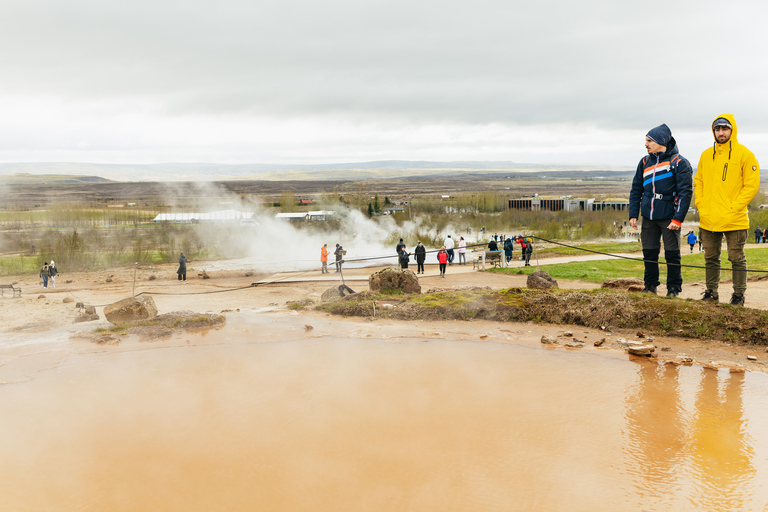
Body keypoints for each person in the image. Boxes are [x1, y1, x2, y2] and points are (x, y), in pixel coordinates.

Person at [695, 114, 760, 306]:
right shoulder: (706, 155)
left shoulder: (745, 155)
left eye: (725, 129)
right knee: (710, 257)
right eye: (717, 129)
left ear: (732, 130)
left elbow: (751, 186)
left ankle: (738, 295)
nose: (721, 133)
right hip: (709, 218)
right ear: (713, 131)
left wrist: (734, 206)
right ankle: (711, 293)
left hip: (735, 218)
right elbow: (698, 181)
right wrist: (701, 203)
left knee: (736, 257)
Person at [629, 124, 693, 297]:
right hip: (648, 216)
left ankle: (673, 289)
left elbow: (685, 193)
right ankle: (650, 286)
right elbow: (636, 190)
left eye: (649, 140)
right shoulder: (644, 162)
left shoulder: (679, 163)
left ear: (661, 141)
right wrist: (633, 214)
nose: (646, 144)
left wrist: (678, 218)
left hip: (669, 217)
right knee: (649, 252)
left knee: (672, 254)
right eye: (646, 140)